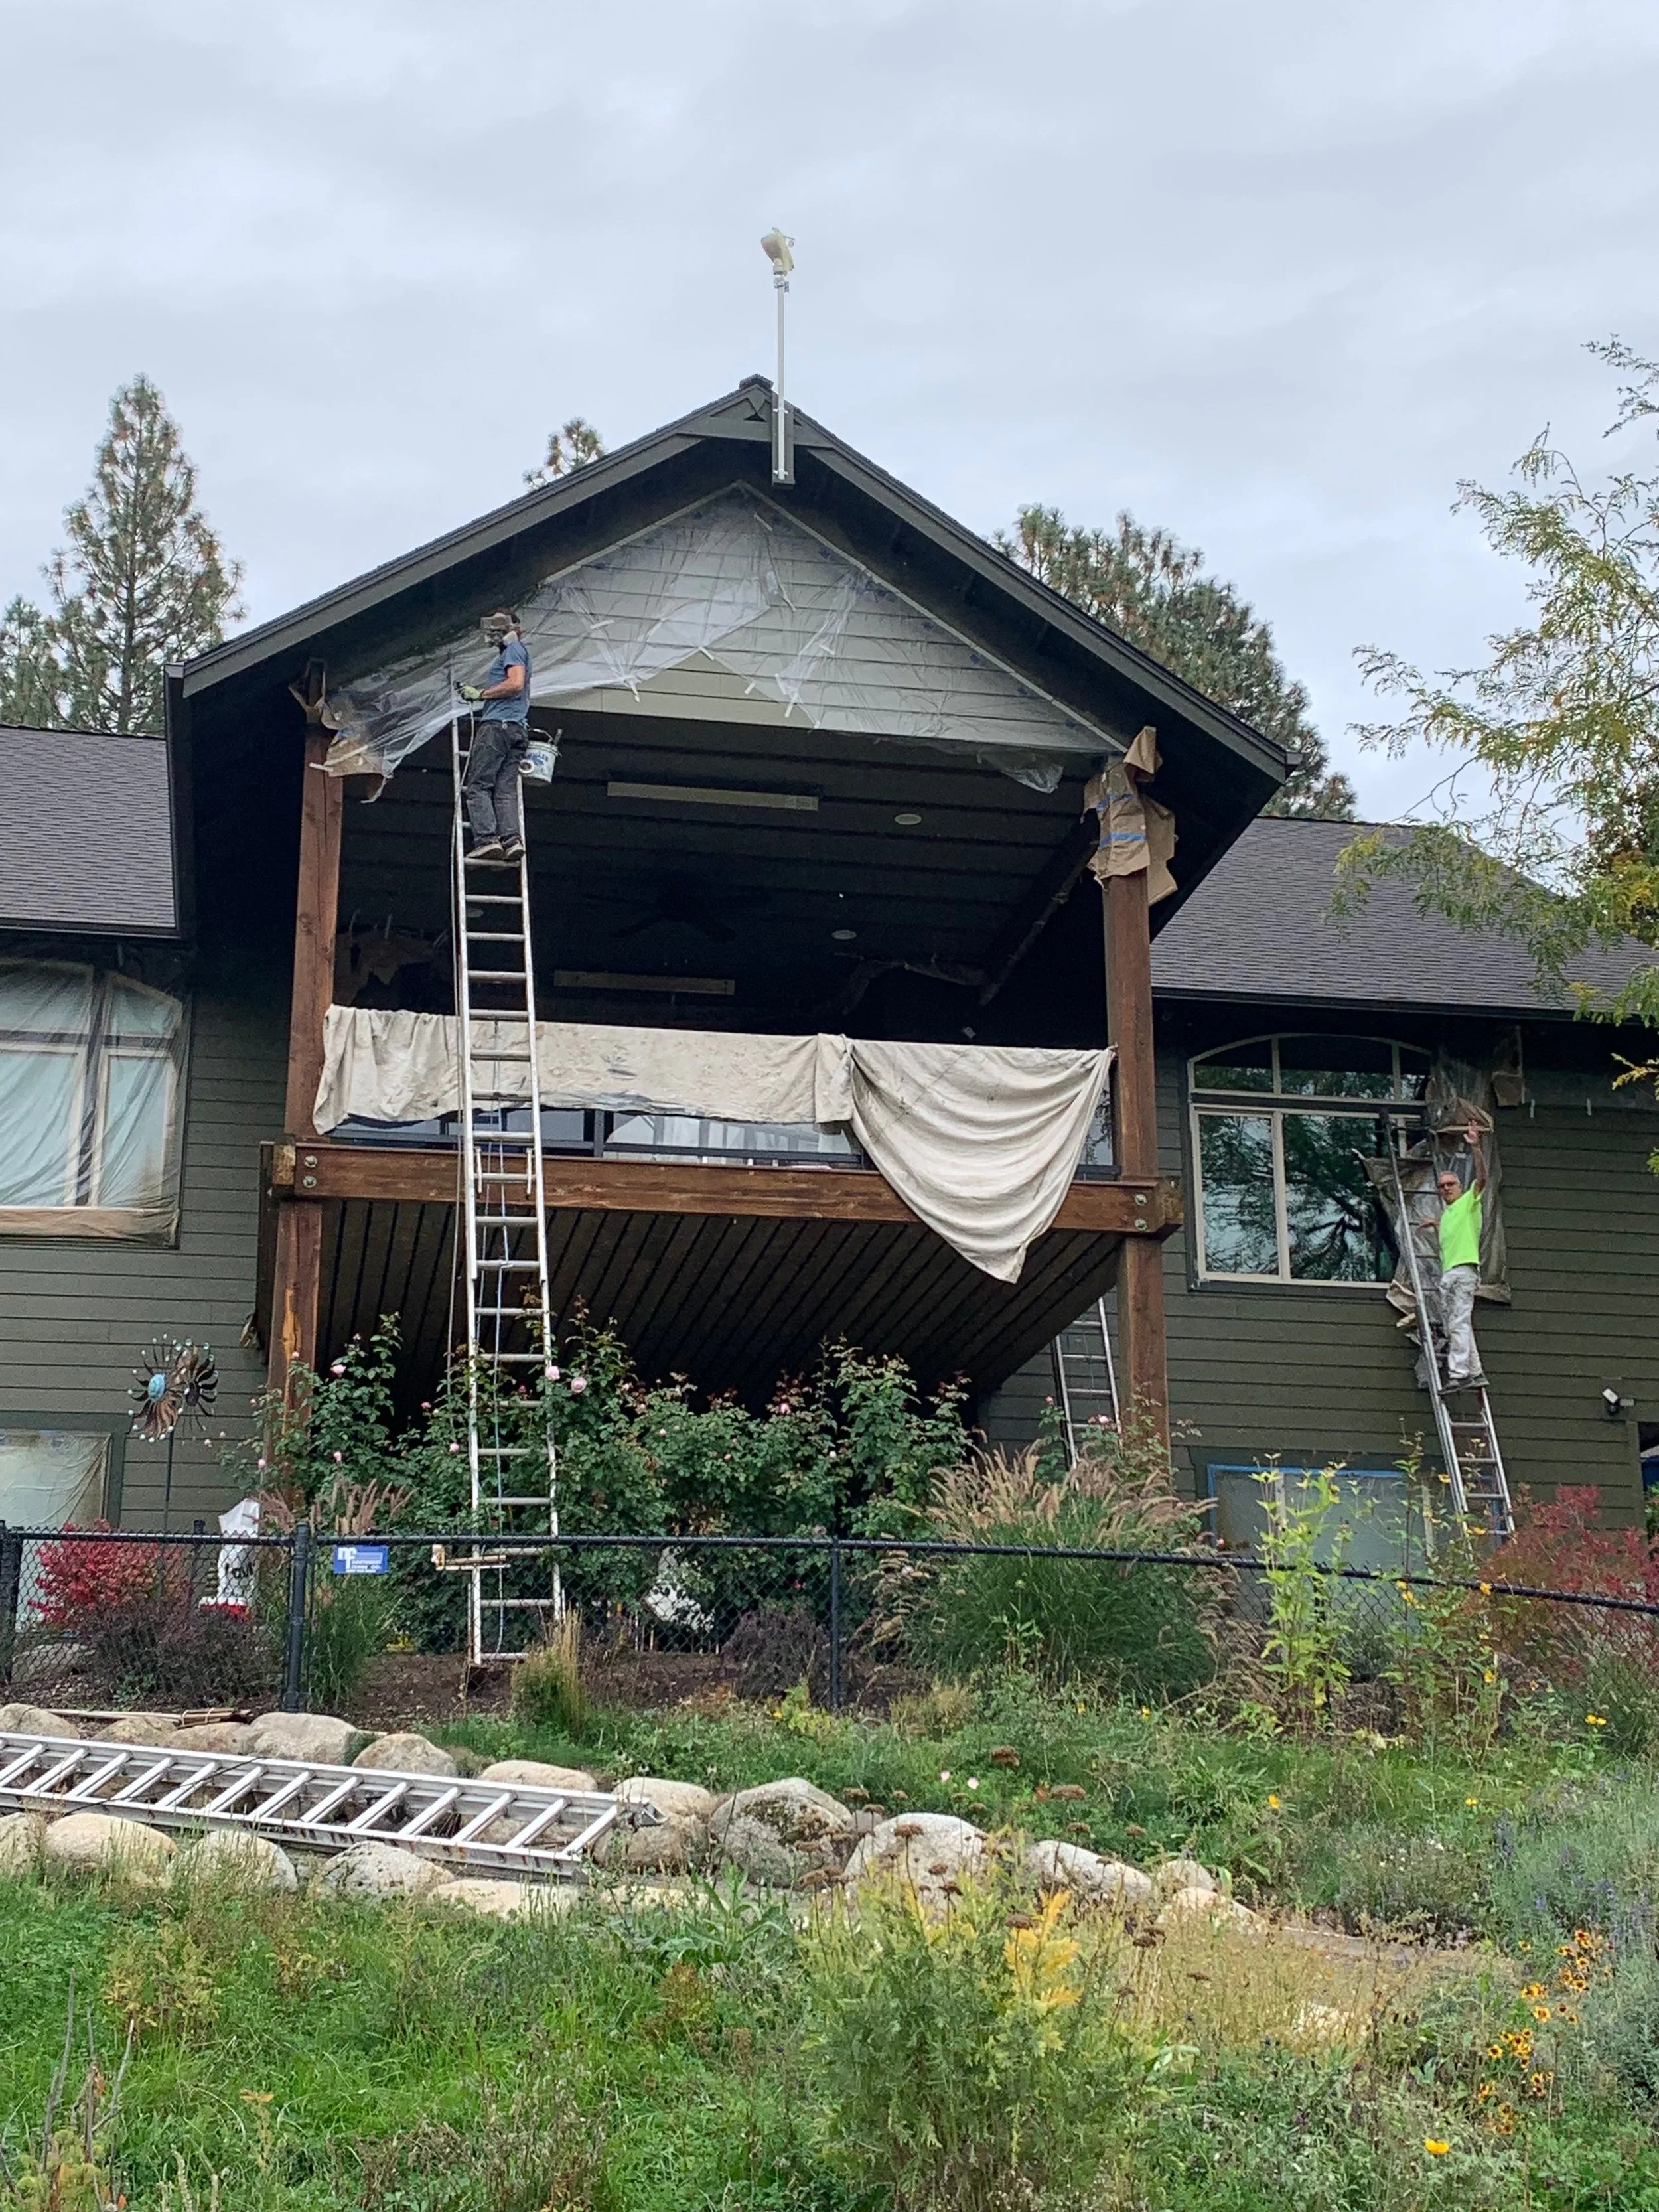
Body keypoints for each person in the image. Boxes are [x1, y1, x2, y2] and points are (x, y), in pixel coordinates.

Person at [459, 609, 532, 861]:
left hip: (498, 727)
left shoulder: (514, 651)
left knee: (479, 786)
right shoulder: (515, 653)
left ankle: (488, 839)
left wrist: (481, 694)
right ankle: (511, 839)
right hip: (516, 729)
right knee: (504, 791)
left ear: (513, 628)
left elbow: (515, 683)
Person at [1433, 1119, 1488, 1390]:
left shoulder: (1468, 1202)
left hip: (1464, 1270)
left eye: (1450, 1183)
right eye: (1442, 1186)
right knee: (1459, 1322)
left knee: (1456, 1322)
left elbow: (1482, 1179)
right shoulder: (1447, 1216)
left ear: (1458, 1184)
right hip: (1451, 1273)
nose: (1446, 1188)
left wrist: (1475, 1148)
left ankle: (1458, 1375)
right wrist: (1434, 1224)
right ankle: (1476, 1371)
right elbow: (1452, 1232)